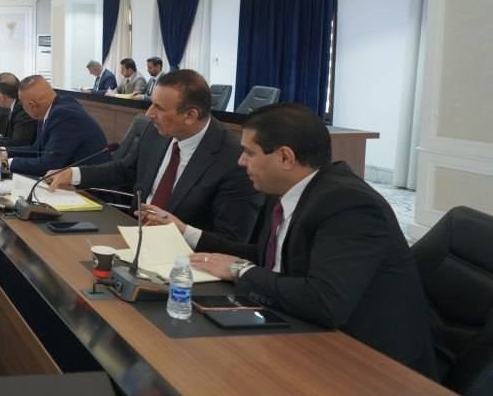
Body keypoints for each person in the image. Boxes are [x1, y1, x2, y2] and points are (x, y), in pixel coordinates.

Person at [170, 104, 437, 378]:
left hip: (370, 364)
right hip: (301, 329)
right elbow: (267, 257)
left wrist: (240, 270)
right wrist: (187, 232)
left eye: (249, 153)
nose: (241, 161)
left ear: (285, 157)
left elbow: (324, 301)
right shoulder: (286, 188)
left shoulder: (349, 205)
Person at [49, 69, 259, 241]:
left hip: (183, 258)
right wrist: (73, 174)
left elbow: (230, 239)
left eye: (158, 107)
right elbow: (125, 170)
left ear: (190, 115)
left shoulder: (233, 159)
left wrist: (182, 230)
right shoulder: (156, 131)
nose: (149, 114)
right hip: (133, 234)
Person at [1, 75, 107, 177]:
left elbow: (49, 165)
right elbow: (37, 149)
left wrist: (7, 163)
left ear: (32, 105)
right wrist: (2, 152)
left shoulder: (65, 115)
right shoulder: (49, 109)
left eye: (22, 104)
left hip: (91, 185)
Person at [0, 72, 37, 148]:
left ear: (1, 97)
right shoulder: (14, 106)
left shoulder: (23, 111)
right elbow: (10, 137)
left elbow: (17, 144)